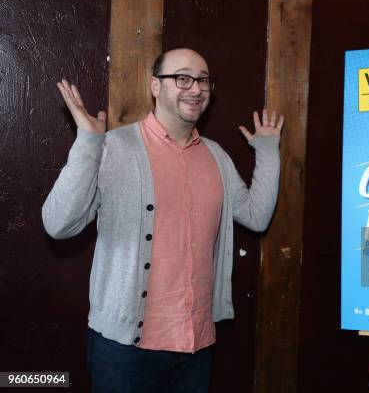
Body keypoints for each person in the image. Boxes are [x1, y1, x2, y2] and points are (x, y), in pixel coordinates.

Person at [42, 48, 283, 392]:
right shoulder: (114, 146)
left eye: (203, 80)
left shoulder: (216, 156)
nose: (196, 88)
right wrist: (88, 142)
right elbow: (58, 224)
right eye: (182, 78)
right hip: (124, 349)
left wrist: (269, 151)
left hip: (196, 346)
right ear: (156, 86)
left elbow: (257, 217)